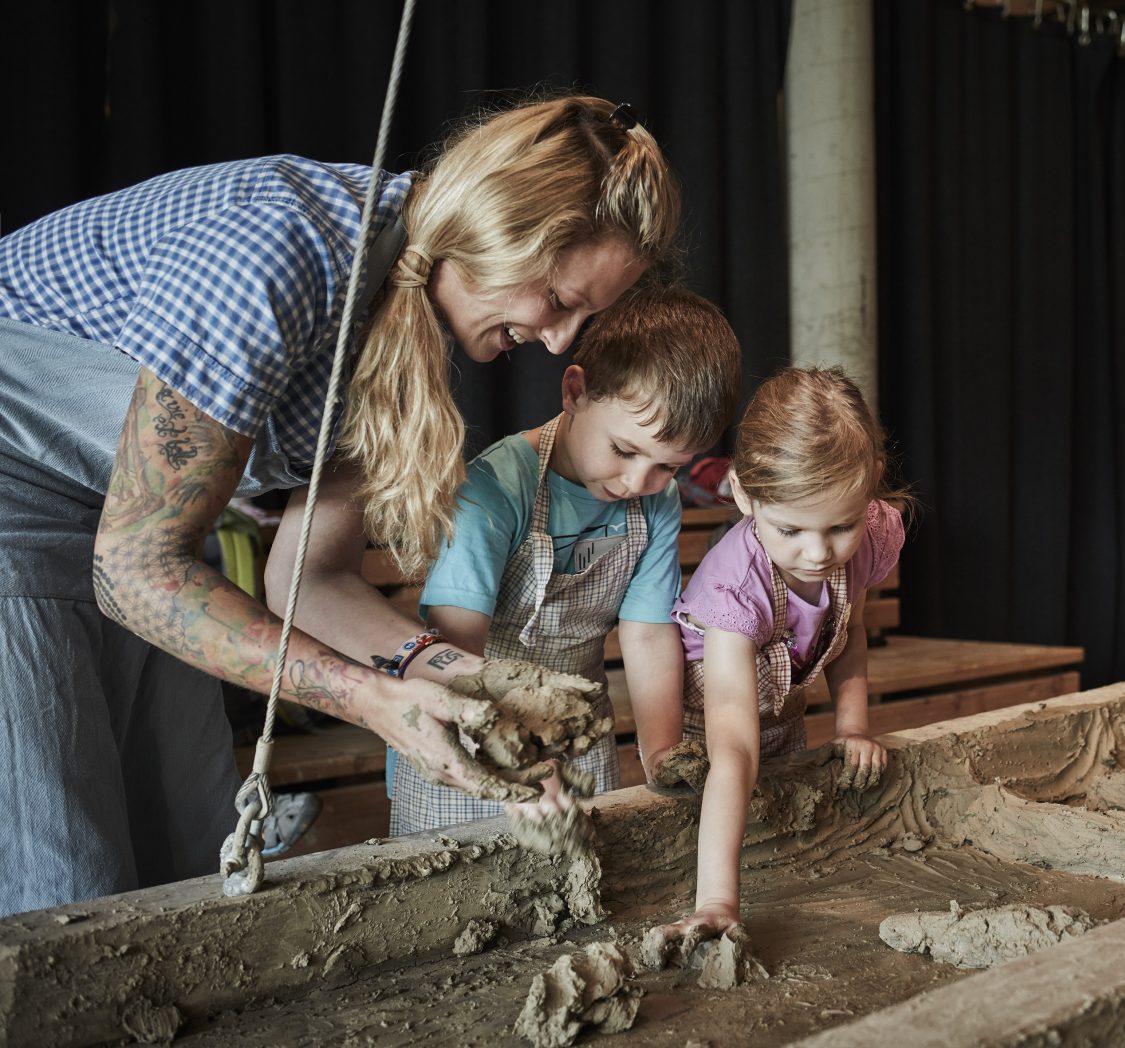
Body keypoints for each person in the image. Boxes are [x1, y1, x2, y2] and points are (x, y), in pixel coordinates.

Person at [0, 94, 679, 916]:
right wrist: (374, 704)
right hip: (25, 499)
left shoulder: (407, 341)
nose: (564, 340)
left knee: (179, 850)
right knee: (68, 883)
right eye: (560, 300)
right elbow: (138, 568)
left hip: (125, 526)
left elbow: (307, 582)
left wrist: (469, 680)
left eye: (588, 315)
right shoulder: (279, 254)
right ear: (501, 230)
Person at [391, 285, 741, 834]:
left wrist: (661, 754)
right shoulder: (496, 489)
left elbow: (647, 636)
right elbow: (454, 650)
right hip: (469, 731)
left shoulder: (656, 504)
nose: (637, 482)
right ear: (574, 391)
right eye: (624, 450)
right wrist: (520, 759)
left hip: (578, 735)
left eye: (667, 467)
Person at [642, 366, 909, 961]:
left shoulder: (867, 535)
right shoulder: (735, 586)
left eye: (840, 526)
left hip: (785, 708)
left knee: (782, 837)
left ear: (870, 490)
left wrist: (852, 727)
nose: (818, 553)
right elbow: (732, 747)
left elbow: (849, 631)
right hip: (707, 735)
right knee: (713, 823)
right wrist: (717, 902)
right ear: (743, 495)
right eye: (790, 529)